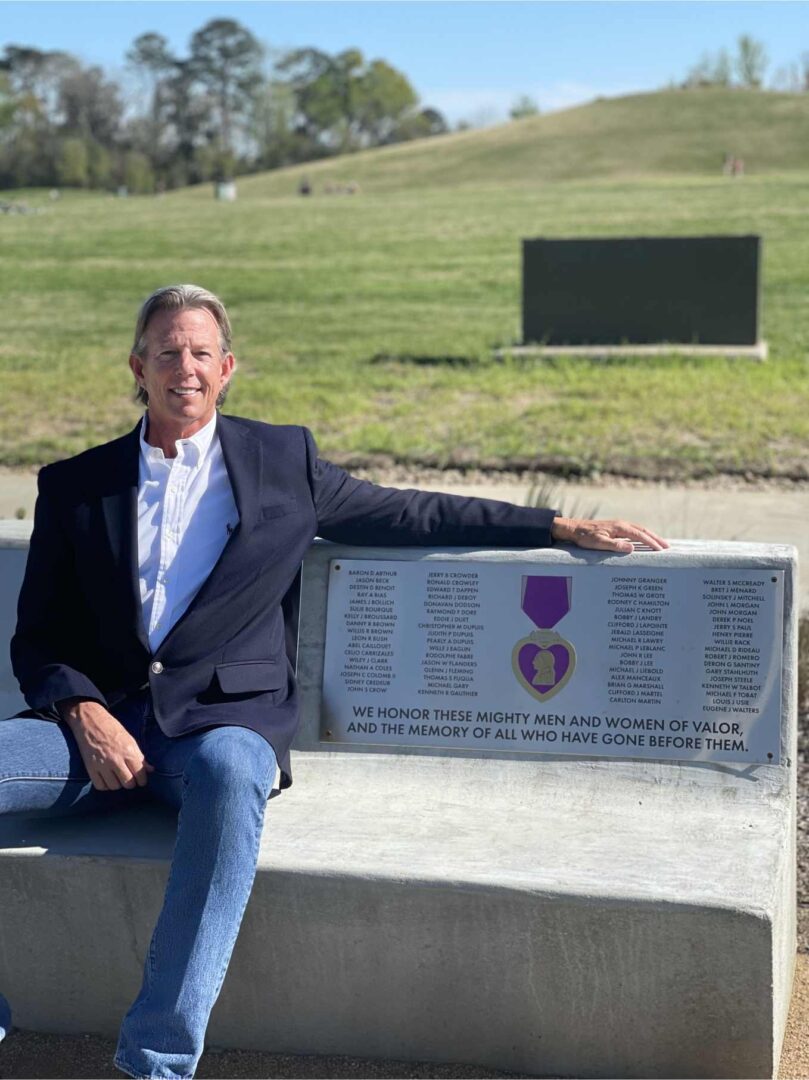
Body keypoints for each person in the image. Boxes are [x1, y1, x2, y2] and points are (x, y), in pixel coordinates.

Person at [0, 284, 667, 1079]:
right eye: (168, 352)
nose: (186, 366)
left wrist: (553, 524)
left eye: (202, 352)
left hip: (220, 725)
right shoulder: (76, 484)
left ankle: (155, 1062)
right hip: (95, 730)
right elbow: (38, 637)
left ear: (228, 367)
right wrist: (82, 712)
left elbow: (411, 511)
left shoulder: (284, 462)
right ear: (137, 367)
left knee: (232, 770)